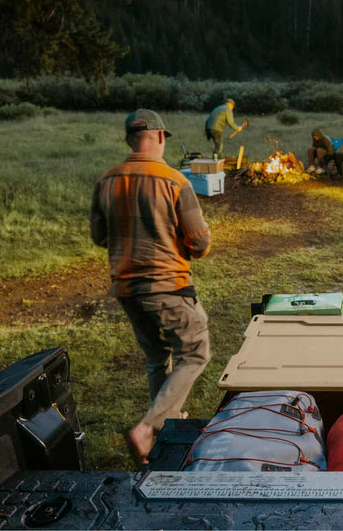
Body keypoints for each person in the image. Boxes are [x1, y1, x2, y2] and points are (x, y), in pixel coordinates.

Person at [90, 109, 213, 463]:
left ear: (130, 139)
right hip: (169, 288)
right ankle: (148, 427)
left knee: (157, 357)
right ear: (160, 137)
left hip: (127, 289)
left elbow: (100, 236)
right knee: (195, 352)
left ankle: (165, 429)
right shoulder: (175, 181)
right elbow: (200, 244)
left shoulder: (107, 181)